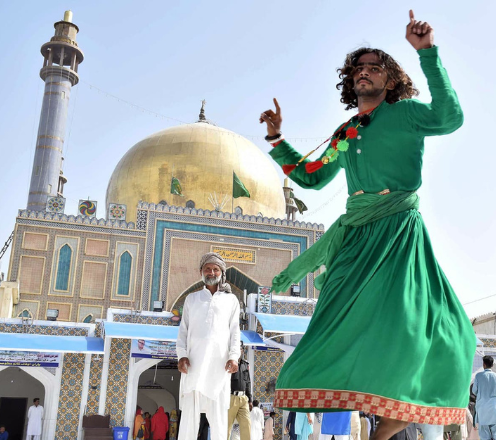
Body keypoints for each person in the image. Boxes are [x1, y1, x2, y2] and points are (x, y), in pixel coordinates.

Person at [259, 9, 474, 440]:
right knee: (333, 322)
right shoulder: (346, 132)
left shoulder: (407, 114)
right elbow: (313, 176)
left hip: (398, 233)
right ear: (350, 79)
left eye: (375, 68)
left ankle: (387, 428)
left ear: (390, 79)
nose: (366, 73)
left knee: (432, 332)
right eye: (360, 68)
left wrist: (427, 52)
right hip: (356, 239)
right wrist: (278, 140)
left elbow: (451, 117)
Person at [176, 252, 241, 440]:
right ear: (201, 272)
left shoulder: (231, 300)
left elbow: (235, 331)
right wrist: (182, 355)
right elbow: (183, 331)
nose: (211, 272)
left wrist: (233, 357)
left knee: (219, 418)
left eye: (215, 269)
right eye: (207, 269)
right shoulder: (192, 299)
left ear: (222, 273)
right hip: (193, 364)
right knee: (189, 417)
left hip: (219, 366)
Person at [472, 356, 496, 440]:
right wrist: (494, 397)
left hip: (483, 411)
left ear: (484, 364)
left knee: (484, 437)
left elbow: (474, 391)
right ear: (492, 365)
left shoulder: (478, 376)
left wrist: (482, 395)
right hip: (494, 410)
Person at [228, 349, 252, 440]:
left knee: (246, 423)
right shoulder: (229, 364)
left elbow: (248, 382)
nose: (239, 351)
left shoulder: (245, 364)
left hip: (243, 398)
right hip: (231, 397)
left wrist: (250, 399)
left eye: (241, 349)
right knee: (227, 426)